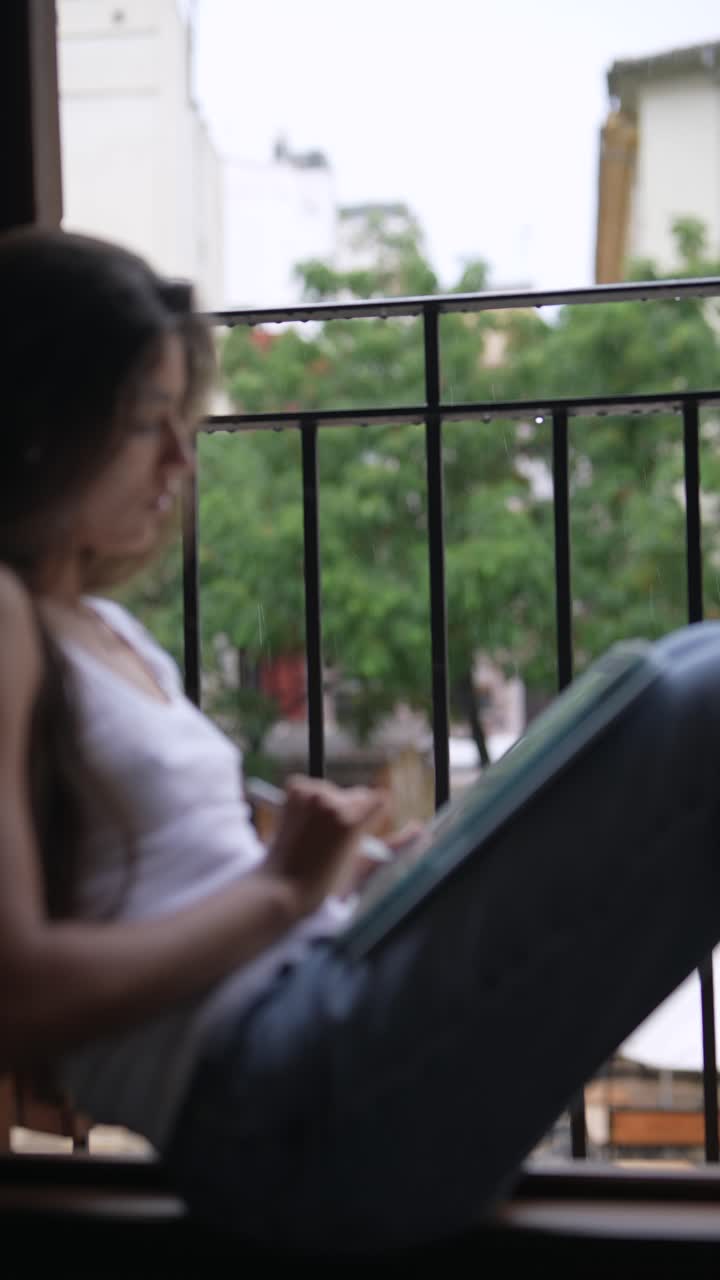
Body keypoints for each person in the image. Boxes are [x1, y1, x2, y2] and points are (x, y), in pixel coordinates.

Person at [2, 226, 720, 1257]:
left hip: (322, 1011)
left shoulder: (100, 627)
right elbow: (18, 992)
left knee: (682, 668)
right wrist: (280, 893)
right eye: (141, 421)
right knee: (700, 711)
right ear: (38, 420)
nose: (177, 457)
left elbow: (177, 878)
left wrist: (359, 876)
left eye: (180, 419)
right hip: (282, 1100)